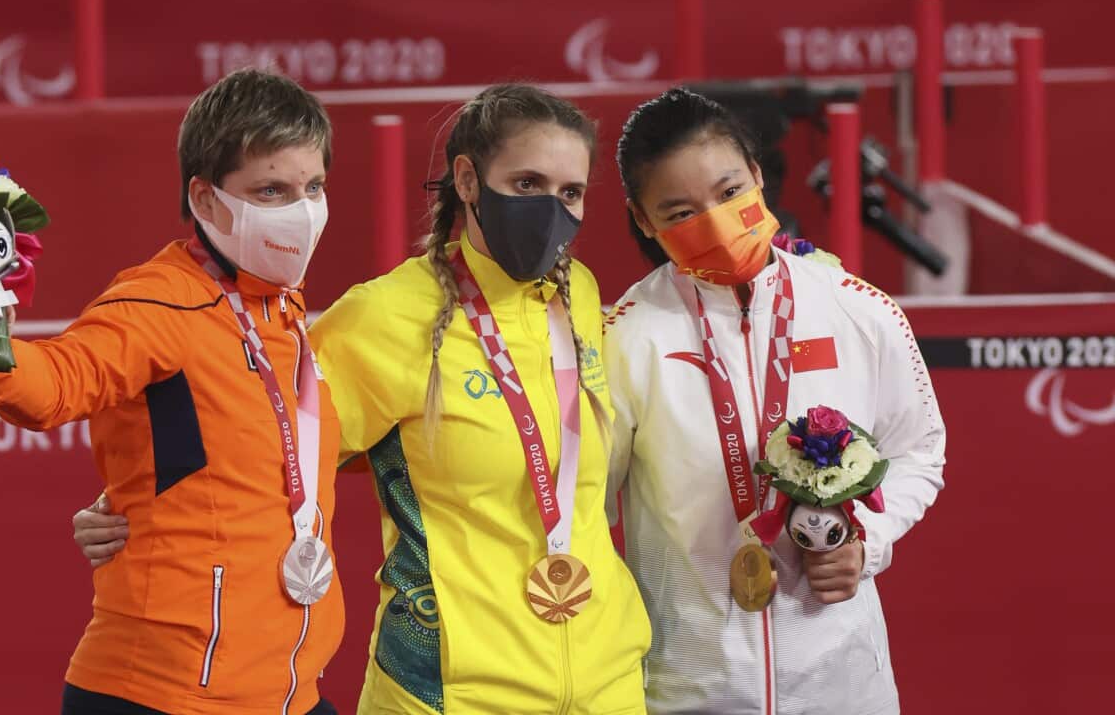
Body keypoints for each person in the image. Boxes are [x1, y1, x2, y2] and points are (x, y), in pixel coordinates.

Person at [76, 84, 652, 714]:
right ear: (467, 180)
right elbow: (265, 440)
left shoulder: (582, 298)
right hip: (449, 690)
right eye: (526, 184)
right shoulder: (383, 317)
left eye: (569, 193)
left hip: (607, 681)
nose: (550, 209)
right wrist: (140, 500)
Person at [0, 69, 343, 715]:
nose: (301, 211)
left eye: (313, 186)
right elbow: (55, 383)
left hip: (287, 694)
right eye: (271, 190)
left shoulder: (291, 318)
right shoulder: (157, 301)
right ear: (206, 198)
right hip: (159, 694)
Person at [604, 86, 946, 714]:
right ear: (643, 220)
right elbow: (586, 504)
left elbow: (919, 450)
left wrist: (865, 541)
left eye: (729, 192)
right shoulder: (625, 336)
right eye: (679, 212)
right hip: (687, 688)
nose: (712, 222)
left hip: (843, 685)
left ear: (758, 177)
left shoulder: (857, 307)